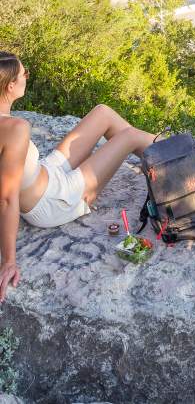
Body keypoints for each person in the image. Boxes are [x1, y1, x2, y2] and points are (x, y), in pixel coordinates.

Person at [0, 51, 158, 302]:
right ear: (10, 86)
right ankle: (182, 155)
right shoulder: (15, 128)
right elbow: (7, 199)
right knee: (128, 136)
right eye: (24, 74)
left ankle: (174, 153)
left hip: (46, 172)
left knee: (103, 112)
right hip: (54, 200)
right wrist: (9, 260)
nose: (26, 78)